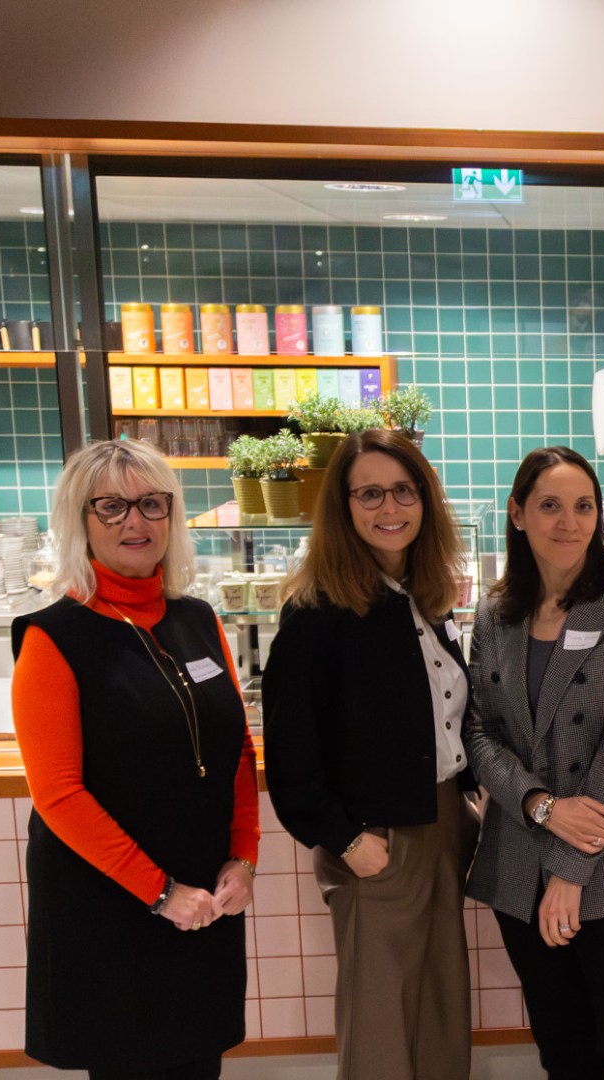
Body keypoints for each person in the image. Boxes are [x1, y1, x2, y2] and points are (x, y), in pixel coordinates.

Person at [11, 439, 258, 1079]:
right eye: (112, 506)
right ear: (81, 520)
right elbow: (58, 795)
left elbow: (234, 749)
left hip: (201, 898)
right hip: (113, 910)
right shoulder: (52, 637)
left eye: (152, 504)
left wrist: (244, 854)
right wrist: (159, 892)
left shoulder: (198, 619)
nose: (136, 522)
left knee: (199, 1062)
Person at [261, 428, 477, 1080]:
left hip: (442, 829)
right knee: (381, 1028)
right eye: (370, 494)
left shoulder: (422, 598)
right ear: (344, 506)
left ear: (425, 499)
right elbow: (291, 760)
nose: (390, 508)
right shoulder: (316, 613)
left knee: (441, 1012)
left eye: (404, 491)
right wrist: (348, 839)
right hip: (374, 841)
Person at [464, 446, 604, 1079]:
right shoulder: (494, 612)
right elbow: (478, 734)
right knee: (561, 1045)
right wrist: (540, 805)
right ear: (517, 514)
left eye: (583, 506)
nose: (569, 522)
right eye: (550, 506)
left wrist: (569, 871)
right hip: (519, 856)